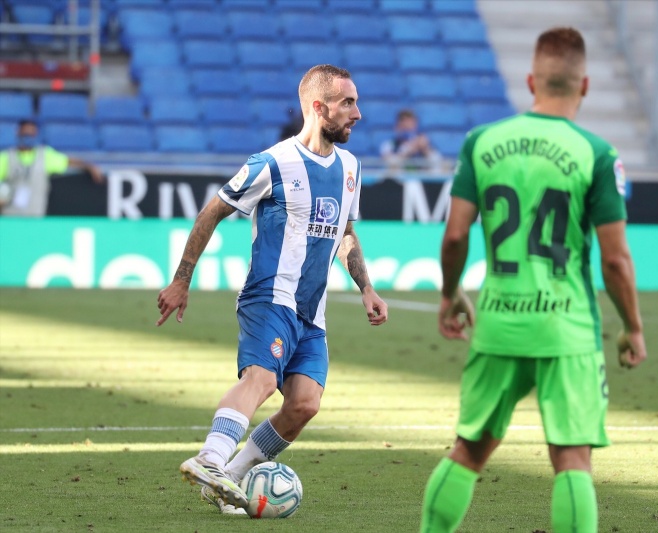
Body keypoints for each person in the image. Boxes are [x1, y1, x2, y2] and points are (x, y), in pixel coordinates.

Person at [419, 27, 647, 533]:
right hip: (566, 328)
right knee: (572, 459)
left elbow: (454, 236)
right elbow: (615, 261)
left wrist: (450, 294)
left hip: (499, 322)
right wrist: (633, 326)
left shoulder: (482, 142)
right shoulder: (597, 153)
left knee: (469, 450)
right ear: (584, 85)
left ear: (530, 82)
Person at [156, 64, 389, 515]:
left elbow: (345, 233)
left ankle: (229, 475)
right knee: (261, 379)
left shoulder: (350, 167)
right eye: (348, 103)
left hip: (311, 310)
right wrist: (182, 278)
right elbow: (212, 212)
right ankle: (210, 458)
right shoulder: (272, 162)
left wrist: (366, 287)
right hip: (269, 296)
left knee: (304, 404)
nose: (358, 113)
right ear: (318, 107)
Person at [0, 119, 104, 216]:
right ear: (18, 133)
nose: (28, 138)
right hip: (10, 216)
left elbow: (67, 161)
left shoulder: (45, 155)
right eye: (25, 134)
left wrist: (89, 166)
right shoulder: (6, 157)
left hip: (36, 215)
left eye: (31, 135)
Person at [380, 109, 442, 173]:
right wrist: (408, 151)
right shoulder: (389, 144)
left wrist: (425, 149)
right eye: (403, 124)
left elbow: (438, 163)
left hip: (422, 176)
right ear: (398, 126)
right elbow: (389, 164)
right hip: (401, 177)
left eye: (410, 124)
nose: (407, 126)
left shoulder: (424, 143)